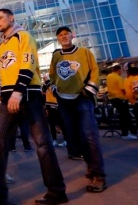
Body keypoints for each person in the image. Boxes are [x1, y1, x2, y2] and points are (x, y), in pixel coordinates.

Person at [0, 9, 66, 205]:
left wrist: (17, 92)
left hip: (28, 94)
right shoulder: (1, 46)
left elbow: (27, 65)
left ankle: (57, 191)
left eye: (0, 18)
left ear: (11, 17)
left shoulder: (23, 36)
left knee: (42, 143)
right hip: (8, 98)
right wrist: (8, 96)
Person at [49, 25, 105, 193]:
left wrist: (89, 89)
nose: (64, 36)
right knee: (75, 136)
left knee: (90, 136)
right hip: (64, 100)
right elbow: (53, 75)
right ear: (58, 39)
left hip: (82, 98)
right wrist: (53, 88)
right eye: (60, 35)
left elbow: (94, 71)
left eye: (66, 34)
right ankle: (90, 165)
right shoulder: (56, 56)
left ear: (72, 36)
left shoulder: (84, 52)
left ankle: (99, 175)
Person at [106, 65, 137, 140]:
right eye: (121, 70)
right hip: (120, 98)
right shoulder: (118, 78)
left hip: (112, 98)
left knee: (124, 116)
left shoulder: (109, 76)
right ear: (119, 70)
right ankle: (125, 134)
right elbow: (122, 89)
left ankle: (133, 132)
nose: (121, 72)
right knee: (125, 116)